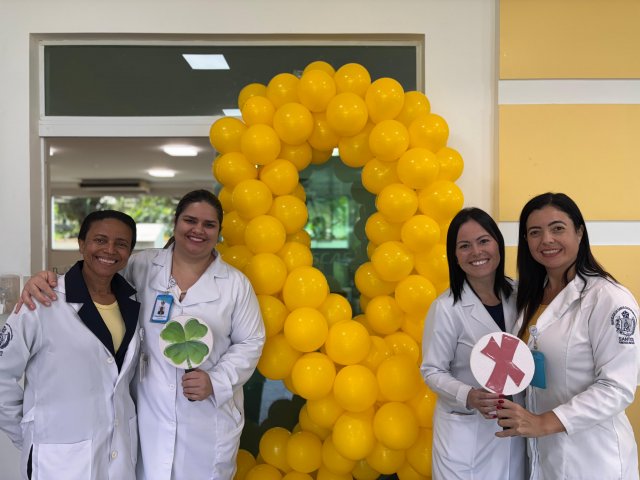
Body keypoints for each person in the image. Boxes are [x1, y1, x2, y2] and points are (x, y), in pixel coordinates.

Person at [18, 189, 266, 480]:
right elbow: (97, 276)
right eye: (190, 220)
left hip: (206, 417)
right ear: (176, 223)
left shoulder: (235, 284)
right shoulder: (142, 266)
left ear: (218, 231)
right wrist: (49, 279)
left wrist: (217, 380)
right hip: (150, 416)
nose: (198, 230)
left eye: (209, 224)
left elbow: (251, 341)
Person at [495, 192, 639, 479]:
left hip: (593, 458)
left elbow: (618, 387)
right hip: (542, 452)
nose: (546, 239)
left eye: (557, 228)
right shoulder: (530, 297)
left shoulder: (610, 299)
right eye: (535, 232)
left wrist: (544, 422)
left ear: (580, 232)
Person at [0, 210, 140, 479]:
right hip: (58, 458)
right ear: (82, 244)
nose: (110, 250)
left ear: (130, 252)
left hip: (119, 453)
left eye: (121, 243)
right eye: (100, 240)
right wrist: (28, 433)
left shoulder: (131, 299)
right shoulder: (42, 300)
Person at [420, 207, 526, 479]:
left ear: (498, 244)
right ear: (454, 256)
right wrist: (467, 395)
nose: (476, 252)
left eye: (483, 241)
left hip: (515, 430)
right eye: (464, 246)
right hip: (465, 437)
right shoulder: (446, 308)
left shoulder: (520, 296)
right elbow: (432, 370)